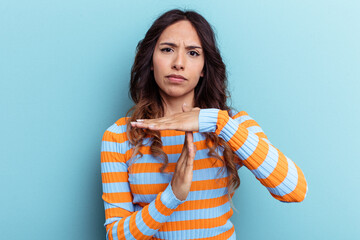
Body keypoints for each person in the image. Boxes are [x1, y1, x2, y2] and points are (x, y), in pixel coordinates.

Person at [100, 8, 308, 240]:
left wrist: (216, 121)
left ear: (203, 69)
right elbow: (117, 236)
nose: (178, 63)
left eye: (193, 53)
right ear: (150, 61)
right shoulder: (119, 136)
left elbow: (294, 190)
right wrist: (172, 195)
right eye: (167, 49)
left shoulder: (231, 125)